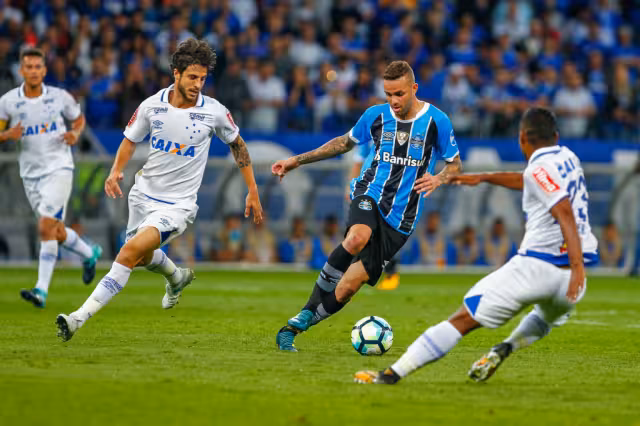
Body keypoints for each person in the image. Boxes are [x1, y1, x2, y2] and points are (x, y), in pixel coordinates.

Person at [354, 107, 598, 385]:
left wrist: (577, 265)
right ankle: (504, 348)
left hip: (539, 267)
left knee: (462, 320)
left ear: (522, 138)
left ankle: (390, 375)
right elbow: (532, 180)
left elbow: (562, 209)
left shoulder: (539, 169)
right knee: (544, 318)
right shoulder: (568, 158)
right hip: (571, 283)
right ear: (555, 136)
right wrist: (483, 177)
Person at [56, 39, 264, 341]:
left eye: (203, 78)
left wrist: (252, 189)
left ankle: (77, 318)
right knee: (140, 257)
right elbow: (130, 140)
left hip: (177, 206)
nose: (198, 85)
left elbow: (238, 145)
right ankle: (176, 277)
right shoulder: (151, 106)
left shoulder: (214, 112)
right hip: (142, 196)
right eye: (192, 77)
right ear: (176, 73)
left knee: (128, 253)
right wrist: (115, 170)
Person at [272, 60, 462, 351]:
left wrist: (439, 178)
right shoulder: (375, 115)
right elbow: (342, 144)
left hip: (402, 219)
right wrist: (296, 161)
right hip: (370, 193)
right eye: (388, 94)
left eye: (399, 94)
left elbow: (455, 165)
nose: (393, 100)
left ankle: (293, 330)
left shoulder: (437, 121)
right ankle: (307, 310)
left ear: (414, 88)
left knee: (348, 286)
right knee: (356, 237)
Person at [0, 47, 102, 309]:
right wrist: (7, 135)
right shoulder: (8, 102)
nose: (33, 71)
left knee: (45, 227)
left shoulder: (60, 97)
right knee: (54, 231)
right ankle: (89, 253)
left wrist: (75, 134)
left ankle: (41, 291)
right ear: (21, 70)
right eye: (29, 67)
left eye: (38, 67)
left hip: (59, 169)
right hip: (30, 176)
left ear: (44, 71)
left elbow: (78, 120)